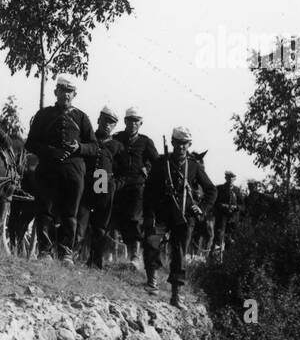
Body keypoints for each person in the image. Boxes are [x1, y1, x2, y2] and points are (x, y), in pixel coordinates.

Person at [142, 126, 216, 306]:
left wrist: (202, 208)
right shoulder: (161, 163)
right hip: (162, 213)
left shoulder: (194, 166)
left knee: (180, 254)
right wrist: (150, 215)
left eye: (184, 144)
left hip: (184, 216)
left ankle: (177, 294)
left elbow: (211, 190)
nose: (181, 147)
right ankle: (152, 281)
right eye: (178, 143)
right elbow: (149, 191)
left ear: (189, 144)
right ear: (173, 142)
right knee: (151, 242)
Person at [26, 75, 96, 263]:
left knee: (70, 214)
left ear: (75, 94)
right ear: (55, 92)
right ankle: (45, 252)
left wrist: (79, 148)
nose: (66, 95)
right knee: (45, 211)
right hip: (48, 170)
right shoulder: (44, 115)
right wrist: (51, 151)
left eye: (69, 92)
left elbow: (95, 147)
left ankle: (66, 253)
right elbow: (30, 143)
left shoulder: (81, 117)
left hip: (73, 172)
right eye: (62, 91)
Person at [110, 106, 159, 268]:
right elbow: (106, 159)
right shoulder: (116, 138)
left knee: (134, 220)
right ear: (125, 121)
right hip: (118, 185)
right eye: (130, 120)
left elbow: (157, 163)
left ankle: (135, 257)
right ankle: (106, 255)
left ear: (141, 123)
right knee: (116, 218)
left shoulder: (146, 141)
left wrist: (148, 169)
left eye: (136, 121)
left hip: (137, 186)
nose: (133, 124)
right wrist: (102, 184)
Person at [76, 106, 123, 269]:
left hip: (103, 183)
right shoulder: (89, 138)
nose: (107, 125)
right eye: (104, 121)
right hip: (86, 182)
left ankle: (96, 261)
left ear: (115, 126)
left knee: (100, 225)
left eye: (111, 123)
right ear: (98, 120)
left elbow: (122, 169)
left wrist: (116, 184)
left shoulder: (117, 145)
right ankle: (73, 257)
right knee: (81, 220)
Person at [211, 170, 243, 255]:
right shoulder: (219, 188)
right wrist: (222, 206)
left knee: (230, 238)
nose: (230, 179)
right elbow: (214, 202)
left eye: (232, 178)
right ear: (226, 178)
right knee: (218, 236)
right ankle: (215, 258)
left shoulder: (237, 190)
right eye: (228, 177)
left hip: (232, 218)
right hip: (221, 217)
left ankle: (228, 259)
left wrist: (236, 207)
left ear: (234, 179)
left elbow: (242, 205)